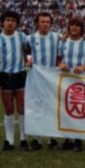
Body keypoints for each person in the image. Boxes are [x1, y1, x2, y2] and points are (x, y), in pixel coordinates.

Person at [27, 12, 62, 150]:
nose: (45, 24)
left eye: (47, 22)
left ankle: (52, 138)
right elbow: (23, 52)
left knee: (51, 107)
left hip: (51, 78)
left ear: (51, 24)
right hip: (35, 77)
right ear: (37, 23)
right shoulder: (30, 38)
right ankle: (36, 138)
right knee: (36, 107)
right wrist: (27, 61)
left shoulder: (56, 37)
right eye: (42, 21)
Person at [59, 17, 85, 152]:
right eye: (72, 24)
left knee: (78, 110)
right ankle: (67, 139)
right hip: (66, 80)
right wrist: (62, 65)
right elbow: (57, 61)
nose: (74, 27)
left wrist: (84, 67)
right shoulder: (63, 43)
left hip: (80, 81)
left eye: (77, 25)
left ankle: (78, 140)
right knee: (66, 109)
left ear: (81, 28)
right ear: (69, 27)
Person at [0, 11, 29, 151]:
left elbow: (29, 51)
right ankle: (9, 141)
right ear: (3, 22)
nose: (10, 22)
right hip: (4, 76)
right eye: (8, 20)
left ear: (16, 23)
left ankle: (23, 139)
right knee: (9, 110)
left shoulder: (22, 37)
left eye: (13, 20)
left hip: (20, 75)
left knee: (22, 109)